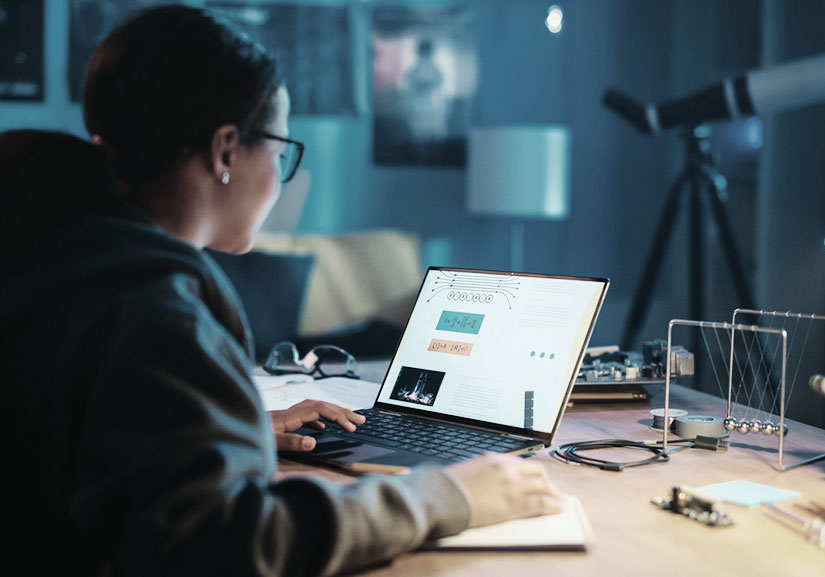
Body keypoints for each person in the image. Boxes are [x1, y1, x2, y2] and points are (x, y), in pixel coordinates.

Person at [2, 6, 563, 576]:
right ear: (225, 151)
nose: (279, 174)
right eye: (280, 149)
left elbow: (73, 435)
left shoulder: (50, 248)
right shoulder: (149, 308)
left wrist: (222, 428)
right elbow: (226, 545)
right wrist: (444, 496)